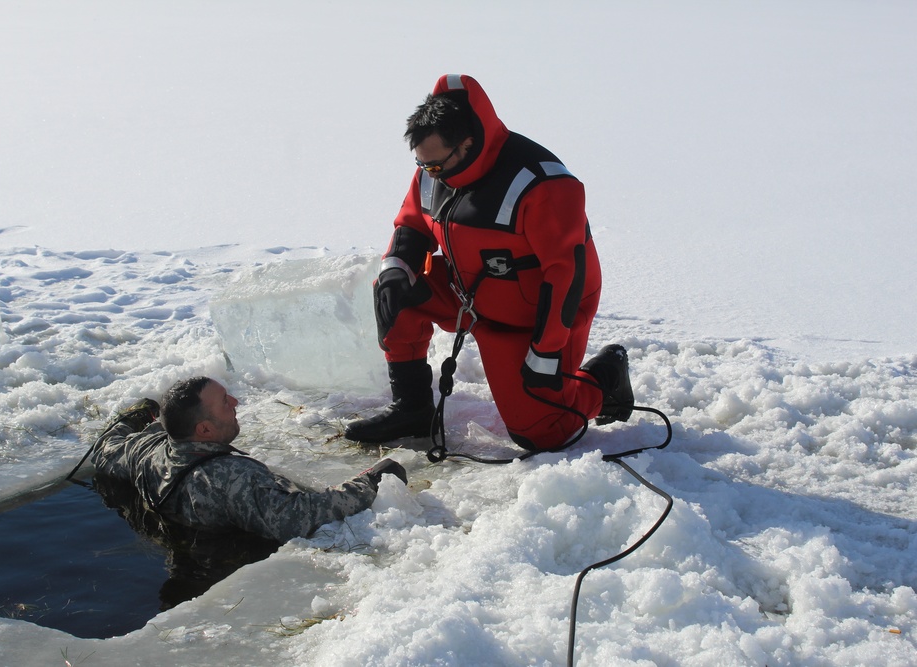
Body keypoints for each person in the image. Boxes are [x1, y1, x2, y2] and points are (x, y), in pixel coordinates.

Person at [345, 74, 634, 451]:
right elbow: (412, 224)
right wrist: (396, 267)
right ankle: (412, 408)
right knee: (394, 289)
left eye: (434, 166)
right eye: (421, 163)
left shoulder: (543, 184)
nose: (428, 173)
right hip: (468, 291)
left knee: (540, 433)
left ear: (466, 144)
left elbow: (566, 276)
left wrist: (545, 353)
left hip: (534, 314)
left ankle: (604, 379)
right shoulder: (435, 168)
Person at [90, 376, 407, 543]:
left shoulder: (148, 450)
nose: (236, 401)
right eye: (225, 403)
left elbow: (106, 448)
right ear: (204, 429)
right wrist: (371, 480)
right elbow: (295, 518)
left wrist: (131, 419)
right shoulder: (231, 477)